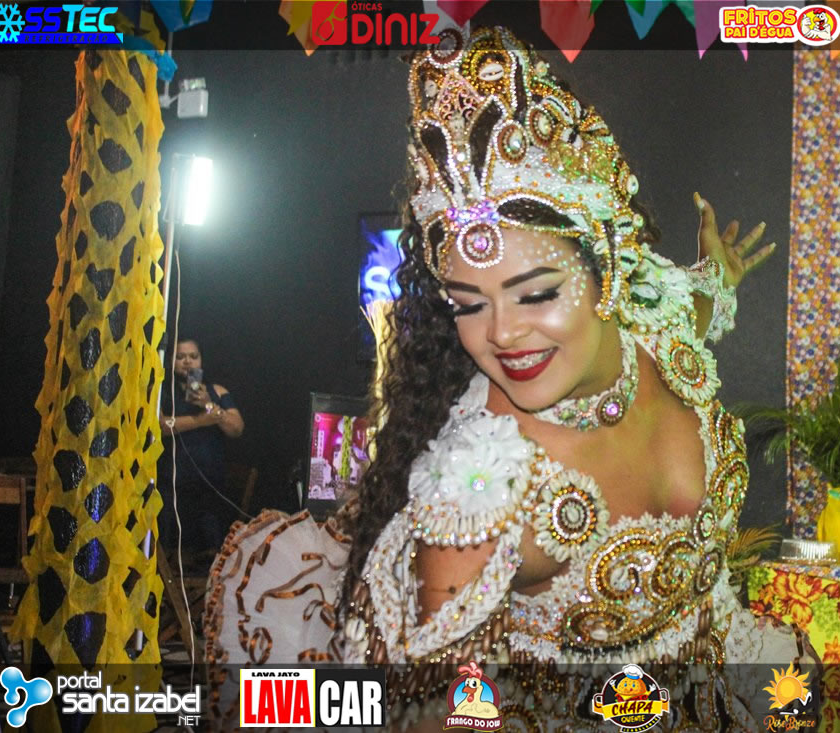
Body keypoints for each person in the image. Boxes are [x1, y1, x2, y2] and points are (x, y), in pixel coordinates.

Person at [206, 27, 805, 730]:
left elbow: (692, 310)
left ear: (608, 271)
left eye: (536, 293)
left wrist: (717, 278)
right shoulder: (477, 490)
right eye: (469, 304)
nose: (503, 334)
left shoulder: (657, 333)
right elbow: (430, 711)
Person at [158, 337, 244, 568]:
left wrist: (208, 405)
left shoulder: (217, 391)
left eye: (193, 357)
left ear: (201, 360)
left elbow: (236, 428)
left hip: (209, 489)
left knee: (213, 541)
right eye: (180, 357)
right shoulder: (162, 392)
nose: (187, 362)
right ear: (171, 361)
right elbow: (160, 426)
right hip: (172, 488)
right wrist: (200, 421)